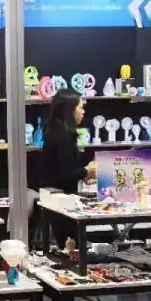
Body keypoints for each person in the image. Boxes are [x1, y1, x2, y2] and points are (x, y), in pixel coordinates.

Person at [40, 89, 97, 247]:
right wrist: (87, 171)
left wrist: (84, 174)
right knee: (70, 249)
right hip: (61, 206)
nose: (83, 112)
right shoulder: (64, 137)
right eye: (81, 107)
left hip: (54, 203)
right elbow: (64, 175)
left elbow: (61, 169)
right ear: (70, 110)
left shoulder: (54, 132)